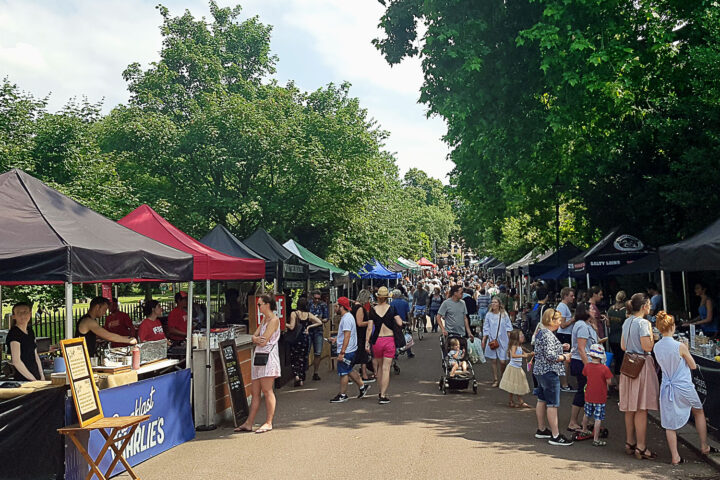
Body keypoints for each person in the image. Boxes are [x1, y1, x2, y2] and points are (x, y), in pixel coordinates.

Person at [654, 311, 717, 464]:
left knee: (669, 423)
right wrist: (687, 349)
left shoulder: (656, 346)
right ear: (672, 327)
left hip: (667, 386)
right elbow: (693, 365)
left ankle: (675, 456)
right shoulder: (680, 346)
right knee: (698, 411)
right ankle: (704, 445)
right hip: (683, 385)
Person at [620, 293, 660, 460]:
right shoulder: (644, 323)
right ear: (644, 306)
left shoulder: (627, 321)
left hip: (628, 364)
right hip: (641, 365)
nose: (650, 307)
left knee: (630, 407)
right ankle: (641, 447)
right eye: (649, 304)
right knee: (641, 408)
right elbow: (647, 346)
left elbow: (623, 345)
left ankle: (630, 442)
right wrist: (654, 337)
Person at [235, 294, 280, 434]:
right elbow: (254, 336)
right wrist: (256, 338)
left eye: (260, 304)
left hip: (267, 357)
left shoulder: (273, 320)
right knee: (255, 392)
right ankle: (249, 422)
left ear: (267, 304)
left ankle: (268, 422)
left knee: (267, 391)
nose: (258, 307)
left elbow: (263, 340)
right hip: (259, 357)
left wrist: (256, 338)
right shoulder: (265, 319)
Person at [533, 308, 573, 446]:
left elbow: (545, 350)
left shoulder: (541, 332)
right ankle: (555, 435)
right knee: (552, 404)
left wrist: (561, 347)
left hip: (539, 370)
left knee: (542, 399)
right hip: (549, 372)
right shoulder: (548, 334)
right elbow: (550, 356)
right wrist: (564, 357)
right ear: (552, 320)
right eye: (559, 320)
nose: (560, 322)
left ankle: (541, 428)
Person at [366, 286, 404, 405]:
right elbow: (400, 323)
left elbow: (369, 328)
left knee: (379, 368)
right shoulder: (392, 309)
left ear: (378, 297)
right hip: (389, 339)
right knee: (386, 368)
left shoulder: (373, 310)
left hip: (377, 341)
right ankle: (383, 394)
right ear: (387, 297)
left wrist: (367, 342)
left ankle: (380, 391)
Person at [567, 304, 601, 434]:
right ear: (585, 311)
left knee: (587, 391)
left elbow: (595, 342)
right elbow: (581, 348)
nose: (594, 311)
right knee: (583, 390)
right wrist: (589, 367)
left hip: (585, 360)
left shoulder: (587, 325)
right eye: (591, 309)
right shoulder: (581, 325)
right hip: (582, 362)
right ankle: (573, 421)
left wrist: (595, 327)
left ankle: (585, 419)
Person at [330, 297, 371, 402]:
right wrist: (336, 339)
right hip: (350, 349)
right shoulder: (348, 317)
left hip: (347, 350)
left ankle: (343, 395)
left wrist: (342, 352)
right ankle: (362, 387)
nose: (335, 308)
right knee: (349, 370)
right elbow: (345, 335)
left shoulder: (347, 319)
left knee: (343, 373)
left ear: (341, 307)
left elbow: (347, 336)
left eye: (336, 306)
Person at [580, 344, 613, 446]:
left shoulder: (587, 366)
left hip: (589, 395)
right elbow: (609, 382)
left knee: (586, 414)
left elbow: (584, 374)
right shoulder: (604, 369)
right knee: (598, 418)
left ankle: (584, 430)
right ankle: (596, 439)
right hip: (600, 396)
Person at [287, 297, 322, 387]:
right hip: (305, 338)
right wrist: (309, 327)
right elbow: (319, 322)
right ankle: (302, 379)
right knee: (303, 358)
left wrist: (283, 323)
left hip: (295, 338)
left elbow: (291, 327)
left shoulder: (294, 314)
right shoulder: (308, 314)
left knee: (294, 358)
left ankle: (297, 376)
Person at [5, 302, 44, 381]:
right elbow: (16, 361)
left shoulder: (30, 331)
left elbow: (35, 354)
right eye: (19, 313)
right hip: (23, 378)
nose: (23, 315)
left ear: (30, 314)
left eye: (25, 312)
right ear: (14, 316)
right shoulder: (14, 333)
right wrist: (33, 379)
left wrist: (41, 375)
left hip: (35, 375)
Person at [482, 297, 513, 387]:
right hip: (492, 340)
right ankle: (496, 379)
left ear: (499, 304)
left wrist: (510, 340)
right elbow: (486, 327)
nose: (493, 304)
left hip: (503, 340)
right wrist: (484, 339)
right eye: (492, 302)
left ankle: (503, 376)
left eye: (495, 302)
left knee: (503, 361)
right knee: (494, 360)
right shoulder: (488, 314)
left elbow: (508, 327)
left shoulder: (504, 314)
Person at [499, 329, 532, 408]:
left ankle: (521, 401)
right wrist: (523, 356)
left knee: (518, 384)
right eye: (521, 335)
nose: (523, 337)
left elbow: (525, 354)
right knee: (513, 385)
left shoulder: (519, 346)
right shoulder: (514, 346)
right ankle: (511, 400)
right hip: (513, 368)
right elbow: (513, 355)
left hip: (518, 368)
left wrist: (530, 354)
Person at [555, 287, 576, 392]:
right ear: (565, 296)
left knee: (565, 359)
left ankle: (564, 382)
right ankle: (564, 383)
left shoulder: (563, 306)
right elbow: (562, 325)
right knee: (565, 359)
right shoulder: (563, 307)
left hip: (564, 334)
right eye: (571, 296)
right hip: (564, 335)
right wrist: (573, 319)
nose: (573, 297)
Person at [607, 291, 628, 388]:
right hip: (621, 338)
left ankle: (617, 382)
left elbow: (608, 324)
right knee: (621, 361)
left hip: (612, 338)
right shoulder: (626, 311)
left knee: (616, 360)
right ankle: (620, 384)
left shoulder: (610, 309)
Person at [308, 290, 329, 381]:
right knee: (306, 351)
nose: (316, 300)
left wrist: (320, 320)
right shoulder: (308, 304)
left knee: (318, 352)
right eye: (315, 298)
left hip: (318, 330)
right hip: (308, 329)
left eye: (318, 299)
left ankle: (315, 372)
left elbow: (326, 318)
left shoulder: (323, 305)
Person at [390, 289, 414, 358]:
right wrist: (409, 322)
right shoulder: (405, 303)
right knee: (406, 336)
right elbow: (408, 313)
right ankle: (409, 352)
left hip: (395, 323)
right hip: (404, 322)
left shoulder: (391, 303)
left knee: (396, 338)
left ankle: (396, 353)